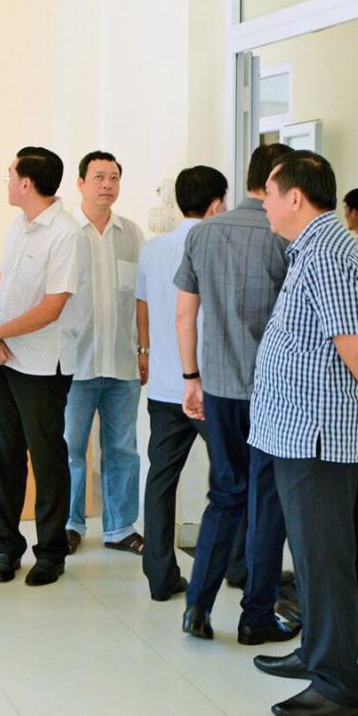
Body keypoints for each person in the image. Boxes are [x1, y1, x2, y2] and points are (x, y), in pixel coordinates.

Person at [251, 150, 358, 716]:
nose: (263, 202)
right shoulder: (309, 249)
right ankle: (315, 652)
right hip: (296, 431)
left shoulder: (330, 254)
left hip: (317, 434)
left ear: (295, 197)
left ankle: (338, 683)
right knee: (311, 555)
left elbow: (353, 342)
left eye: (269, 192)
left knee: (326, 558)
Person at [173, 142, 299, 645]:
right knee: (267, 501)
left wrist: (191, 378)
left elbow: (185, 315)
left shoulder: (203, 233)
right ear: (277, 179)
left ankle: (197, 607)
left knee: (225, 495)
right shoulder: (284, 236)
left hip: (220, 388)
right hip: (272, 391)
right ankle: (256, 617)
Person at [0, 146, 89, 587]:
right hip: (6, 359)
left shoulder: (66, 233)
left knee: (46, 459)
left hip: (44, 364)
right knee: (5, 456)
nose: (6, 181)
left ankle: (51, 552)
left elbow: (52, 307)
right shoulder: (18, 225)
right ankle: (6, 548)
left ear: (26, 183)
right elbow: (3, 282)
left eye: (10, 174)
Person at [136, 165, 227, 600]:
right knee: (233, 478)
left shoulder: (152, 250)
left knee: (161, 479)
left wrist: (145, 352)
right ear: (216, 204)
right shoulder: (217, 246)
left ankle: (159, 575)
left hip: (163, 384)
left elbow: (143, 306)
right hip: (207, 385)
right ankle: (237, 566)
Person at [62, 151, 146, 556]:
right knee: (70, 449)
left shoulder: (132, 234)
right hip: (73, 363)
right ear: (80, 183)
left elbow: (141, 298)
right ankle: (69, 524)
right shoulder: (65, 233)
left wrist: (144, 348)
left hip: (122, 362)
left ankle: (120, 528)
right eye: (98, 177)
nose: (107, 185)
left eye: (113, 177)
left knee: (123, 450)